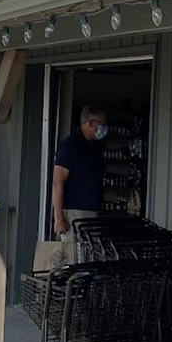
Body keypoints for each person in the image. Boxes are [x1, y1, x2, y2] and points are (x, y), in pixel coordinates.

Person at [50, 104, 107, 263]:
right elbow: (57, 181)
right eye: (101, 124)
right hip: (74, 213)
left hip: (91, 212)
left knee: (89, 258)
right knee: (74, 259)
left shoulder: (94, 148)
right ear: (89, 123)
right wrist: (59, 217)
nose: (104, 128)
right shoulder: (71, 146)